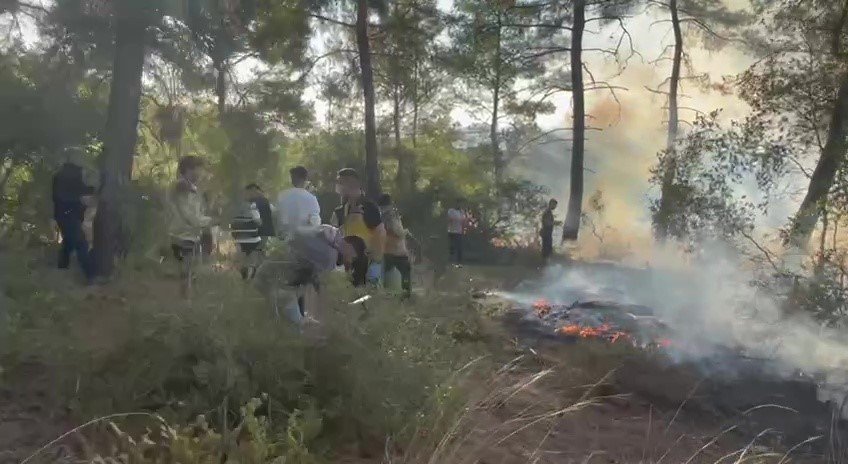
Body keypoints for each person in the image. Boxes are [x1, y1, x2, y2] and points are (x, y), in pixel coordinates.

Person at [331, 168, 386, 286]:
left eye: (341, 182)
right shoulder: (339, 211)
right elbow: (334, 235)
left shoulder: (369, 207)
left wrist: (376, 260)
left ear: (352, 183)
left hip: (368, 264)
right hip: (347, 266)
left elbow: (380, 232)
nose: (338, 187)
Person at [167, 156, 212, 295]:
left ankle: (185, 299)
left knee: (188, 272)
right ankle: (184, 301)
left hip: (189, 234)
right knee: (185, 271)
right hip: (182, 235)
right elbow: (190, 216)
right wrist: (210, 221)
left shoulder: (193, 189)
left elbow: (196, 213)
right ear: (189, 170)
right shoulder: (182, 186)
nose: (201, 174)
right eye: (199, 170)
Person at [52, 161, 95, 284]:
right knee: (81, 243)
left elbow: (80, 189)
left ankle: (61, 270)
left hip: (66, 216)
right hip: (67, 216)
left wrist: (91, 191)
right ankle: (90, 276)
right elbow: (70, 194)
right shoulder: (66, 177)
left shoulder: (65, 176)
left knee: (69, 243)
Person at [377, 194, 412, 298]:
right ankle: (406, 294)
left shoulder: (379, 216)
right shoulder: (391, 215)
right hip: (397, 250)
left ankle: (386, 295)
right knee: (405, 272)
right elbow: (398, 232)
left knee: (386, 274)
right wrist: (406, 232)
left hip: (385, 249)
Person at [276, 166, 321, 239]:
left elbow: (279, 217)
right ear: (305, 179)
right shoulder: (311, 198)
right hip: (305, 238)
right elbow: (315, 222)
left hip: (286, 237)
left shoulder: (282, 195)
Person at [447, 198, 468, 264]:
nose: (459, 205)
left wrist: (464, 228)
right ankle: (448, 260)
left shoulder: (461, 212)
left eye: (460, 204)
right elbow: (450, 219)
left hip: (459, 232)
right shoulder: (451, 211)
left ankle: (459, 262)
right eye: (458, 203)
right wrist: (455, 219)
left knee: (459, 247)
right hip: (451, 231)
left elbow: (463, 221)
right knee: (451, 247)